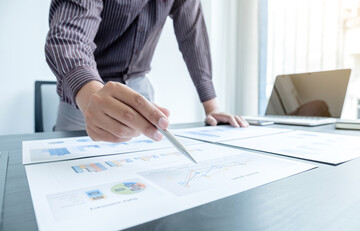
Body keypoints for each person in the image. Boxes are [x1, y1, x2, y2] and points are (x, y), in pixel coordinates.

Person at [45, 0, 249, 143]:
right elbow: (69, 37)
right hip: (89, 91)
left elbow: (193, 37)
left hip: (140, 89)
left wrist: (211, 108)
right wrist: (90, 94)